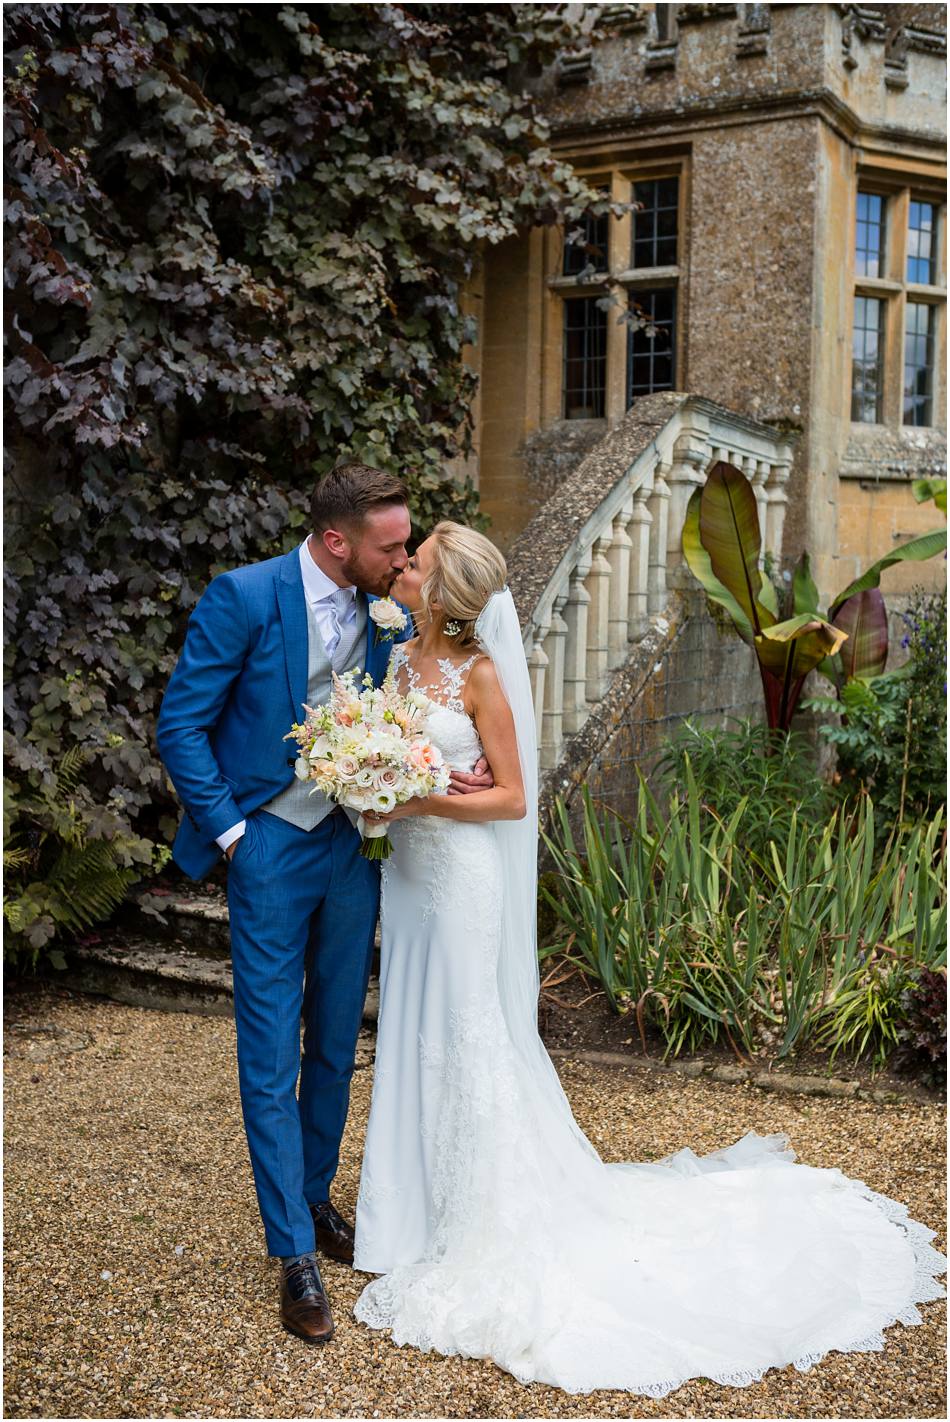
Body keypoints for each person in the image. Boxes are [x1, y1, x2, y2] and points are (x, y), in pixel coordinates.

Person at [351, 519, 947, 1398]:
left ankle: (473, 1224)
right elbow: (390, 757)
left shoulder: (480, 675)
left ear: (444, 591)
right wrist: (373, 788)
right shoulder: (400, 662)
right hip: (408, 884)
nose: (403, 567)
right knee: (410, 1028)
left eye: (418, 562)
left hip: (461, 882)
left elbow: (514, 799)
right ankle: (400, 1220)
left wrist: (419, 797)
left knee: (469, 1039)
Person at [155, 467, 493, 1345]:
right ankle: (294, 1251)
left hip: (353, 844)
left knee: (338, 1042)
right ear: (337, 541)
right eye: (392, 546)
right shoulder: (244, 596)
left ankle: (313, 1197)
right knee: (270, 1050)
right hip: (268, 844)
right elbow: (180, 725)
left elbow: (404, 713)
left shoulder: (387, 612)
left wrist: (441, 774)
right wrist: (234, 836)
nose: (404, 560)